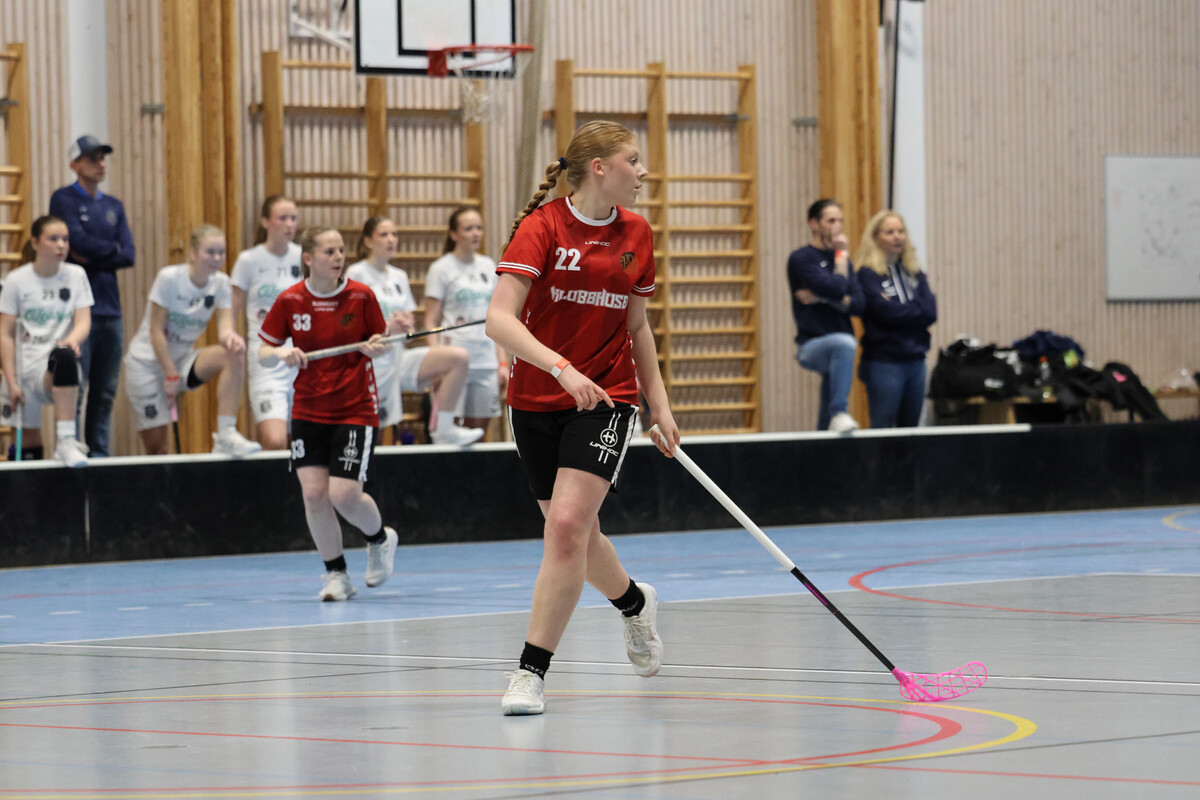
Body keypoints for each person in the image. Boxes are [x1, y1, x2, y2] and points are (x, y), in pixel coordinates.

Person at [485, 120, 680, 716]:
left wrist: (659, 404)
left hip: (608, 398)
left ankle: (530, 671)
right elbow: (499, 320)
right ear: (600, 167)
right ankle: (633, 604)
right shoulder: (542, 228)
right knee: (577, 535)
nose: (642, 172)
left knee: (567, 527)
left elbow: (636, 326)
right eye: (633, 160)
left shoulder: (637, 233)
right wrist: (560, 367)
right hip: (536, 400)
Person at [257, 226, 398, 601]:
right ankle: (337, 575)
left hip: (354, 407)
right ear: (308, 258)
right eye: (329, 252)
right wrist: (282, 353)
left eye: (340, 251)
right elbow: (263, 353)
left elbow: (380, 342)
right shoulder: (290, 300)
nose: (338, 257)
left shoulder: (361, 295)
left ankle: (379, 539)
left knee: (345, 495)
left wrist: (377, 346)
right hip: (308, 409)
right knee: (314, 496)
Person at [122, 225, 262, 457]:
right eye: (210, 252)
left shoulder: (221, 283)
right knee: (158, 449)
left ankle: (226, 433)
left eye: (221, 252)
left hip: (183, 360)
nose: (216, 258)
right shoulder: (169, 279)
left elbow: (225, 326)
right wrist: (170, 373)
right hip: (147, 366)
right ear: (192, 253)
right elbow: (156, 331)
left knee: (233, 354)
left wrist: (231, 338)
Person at [345, 216, 484, 446]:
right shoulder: (357, 273)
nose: (391, 239)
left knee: (457, 357)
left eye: (394, 234)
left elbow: (406, 330)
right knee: (373, 438)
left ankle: (443, 429)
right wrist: (387, 327)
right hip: (370, 364)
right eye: (384, 234)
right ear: (368, 241)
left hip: (398, 358)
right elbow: (350, 327)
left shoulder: (399, 276)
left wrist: (406, 326)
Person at [49, 135, 135, 457]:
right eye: (92, 158)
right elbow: (76, 244)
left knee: (106, 392)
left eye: (102, 158)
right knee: (76, 387)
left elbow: (129, 254)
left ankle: (99, 457)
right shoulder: (64, 199)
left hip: (110, 307)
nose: (100, 164)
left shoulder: (114, 206)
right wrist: (109, 250)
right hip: (78, 309)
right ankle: (71, 450)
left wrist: (94, 254)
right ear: (75, 164)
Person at [0, 216, 93, 467]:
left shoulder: (76, 275)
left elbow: (83, 321)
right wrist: (10, 381)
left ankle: (66, 441)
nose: (61, 245)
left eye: (65, 239)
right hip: (26, 368)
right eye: (53, 239)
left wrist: (69, 342)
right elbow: (5, 334)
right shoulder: (16, 280)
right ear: (35, 242)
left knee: (64, 356)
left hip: (59, 361)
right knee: (27, 440)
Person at [425, 207, 506, 439]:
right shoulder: (441, 268)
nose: (475, 233)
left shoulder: (488, 266)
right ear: (454, 234)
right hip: (454, 360)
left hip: (485, 360)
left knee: (478, 433)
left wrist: (502, 363)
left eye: (479, 228)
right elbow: (431, 320)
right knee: (449, 432)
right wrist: (436, 363)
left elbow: (496, 319)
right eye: (468, 228)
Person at [230, 195, 303, 449]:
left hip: (301, 358)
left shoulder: (304, 257)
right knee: (275, 440)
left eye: (293, 218)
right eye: (282, 218)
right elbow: (231, 308)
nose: (289, 224)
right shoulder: (249, 260)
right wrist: (230, 337)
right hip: (266, 360)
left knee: (300, 442)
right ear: (265, 222)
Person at [854, 210, 938, 428]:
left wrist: (899, 309)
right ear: (875, 238)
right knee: (882, 427)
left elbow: (930, 312)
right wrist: (913, 310)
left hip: (916, 358)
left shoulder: (915, 273)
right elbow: (884, 313)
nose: (897, 237)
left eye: (901, 231)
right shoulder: (868, 274)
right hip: (884, 360)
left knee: (910, 428)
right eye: (889, 232)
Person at [787, 198, 863, 432]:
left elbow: (859, 304)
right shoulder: (802, 258)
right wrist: (840, 256)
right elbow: (838, 289)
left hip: (840, 345)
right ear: (814, 224)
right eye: (830, 221)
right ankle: (840, 412)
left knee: (831, 388)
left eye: (840, 221)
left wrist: (822, 298)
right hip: (812, 344)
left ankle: (824, 434)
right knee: (844, 343)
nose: (836, 226)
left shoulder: (844, 261)